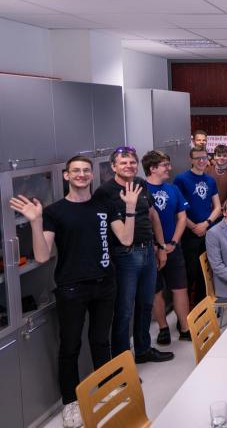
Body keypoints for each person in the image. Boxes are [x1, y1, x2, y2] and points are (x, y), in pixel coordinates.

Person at [9, 156, 139, 428]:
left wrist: (130, 208)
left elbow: (126, 239)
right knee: (70, 347)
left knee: (100, 341)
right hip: (71, 288)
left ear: (92, 175)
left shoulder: (104, 205)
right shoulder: (55, 212)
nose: (82, 174)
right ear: (66, 176)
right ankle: (70, 403)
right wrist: (35, 222)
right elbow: (42, 256)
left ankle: (106, 388)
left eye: (86, 170)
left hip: (105, 284)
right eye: (76, 171)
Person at [93, 146, 173, 363]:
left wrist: (161, 246)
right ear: (113, 167)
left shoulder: (140, 184)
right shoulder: (105, 192)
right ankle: (123, 363)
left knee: (146, 304)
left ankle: (143, 350)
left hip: (148, 251)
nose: (128, 166)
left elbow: (152, 215)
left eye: (132, 162)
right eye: (123, 163)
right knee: (124, 310)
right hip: (124, 256)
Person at [142, 150, 191, 346]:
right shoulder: (141, 190)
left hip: (173, 247)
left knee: (180, 288)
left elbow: (182, 218)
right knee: (156, 291)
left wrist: (174, 243)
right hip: (151, 251)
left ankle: (185, 328)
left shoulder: (173, 189)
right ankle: (163, 328)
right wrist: (157, 246)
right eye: (165, 165)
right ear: (152, 168)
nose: (169, 168)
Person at [174, 146, 222, 306]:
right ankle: (186, 312)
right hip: (189, 233)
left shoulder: (210, 180)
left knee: (205, 273)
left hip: (208, 232)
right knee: (190, 272)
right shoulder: (181, 179)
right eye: (197, 158)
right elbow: (178, 208)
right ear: (191, 160)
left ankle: (202, 309)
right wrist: (194, 227)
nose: (201, 161)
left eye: (204, 157)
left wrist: (206, 224)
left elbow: (217, 207)